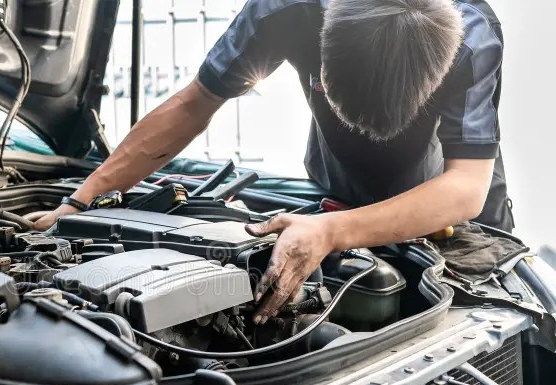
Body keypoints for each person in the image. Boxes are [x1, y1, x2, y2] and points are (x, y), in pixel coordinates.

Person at [34, 0, 511, 324]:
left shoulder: (471, 32)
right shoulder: (284, 9)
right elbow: (194, 104)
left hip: (454, 220)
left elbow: (465, 186)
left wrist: (332, 232)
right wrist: (79, 202)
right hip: (339, 189)